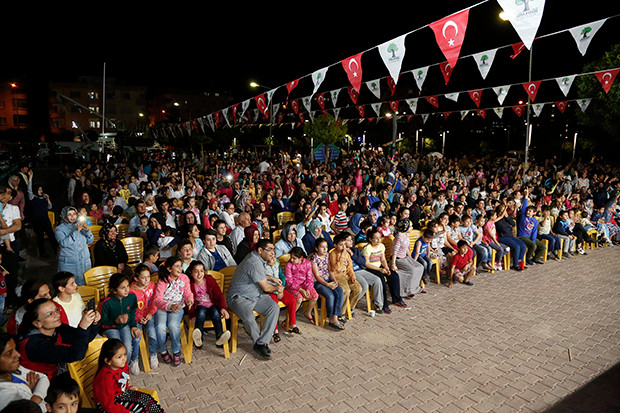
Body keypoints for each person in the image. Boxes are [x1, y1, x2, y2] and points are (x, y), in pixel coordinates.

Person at [225, 238, 282, 359]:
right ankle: (259, 344)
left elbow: (258, 274)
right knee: (249, 317)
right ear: (260, 250)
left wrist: (271, 278)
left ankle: (262, 342)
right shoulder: (254, 261)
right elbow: (266, 288)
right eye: (270, 249)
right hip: (239, 297)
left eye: (273, 249)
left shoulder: (257, 258)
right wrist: (278, 287)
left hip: (255, 295)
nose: (273, 252)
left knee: (274, 308)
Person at [16, 298, 100, 378]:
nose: (57, 314)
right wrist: (83, 328)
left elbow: (82, 338)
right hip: (38, 383)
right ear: (37, 323)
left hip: (55, 373)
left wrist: (93, 322)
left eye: (56, 309)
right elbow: (76, 355)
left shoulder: (56, 328)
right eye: (50, 314)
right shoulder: (33, 344)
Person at [92, 338, 165, 413]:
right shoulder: (105, 378)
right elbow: (108, 406)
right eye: (119, 357)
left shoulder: (123, 366)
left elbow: (122, 382)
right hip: (108, 405)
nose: (124, 358)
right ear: (108, 361)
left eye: (125, 354)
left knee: (147, 399)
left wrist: (127, 388)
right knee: (140, 407)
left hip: (121, 394)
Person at [152, 256, 193, 367]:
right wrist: (169, 306)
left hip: (177, 307)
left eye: (181, 266)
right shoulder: (163, 280)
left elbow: (188, 292)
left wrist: (189, 300)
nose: (180, 268)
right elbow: (157, 300)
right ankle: (163, 350)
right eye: (177, 266)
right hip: (163, 307)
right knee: (160, 328)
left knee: (173, 326)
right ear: (169, 269)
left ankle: (176, 351)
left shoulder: (184, 278)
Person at [100, 273, 142, 375]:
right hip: (110, 328)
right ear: (114, 290)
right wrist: (115, 321)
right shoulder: (106, 303)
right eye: (123, 288)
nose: (127, 290)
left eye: (128, 286)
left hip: (124, 326)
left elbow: (133, 312)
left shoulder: (131, 297)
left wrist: (133, 326)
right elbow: (102, 322)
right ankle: (115, 371)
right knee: (117, 349)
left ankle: (124, 370)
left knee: (127, 347)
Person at [0, 332, 50, 412]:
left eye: (15, 349)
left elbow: (43, 378)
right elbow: (39, 409)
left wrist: (36, 395)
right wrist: (29, 390)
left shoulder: (12, 369)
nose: (18, 355)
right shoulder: (4, 394)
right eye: (9, 353)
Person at [187, 260, 231, 349]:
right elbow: (188, 301)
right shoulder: (190, 284)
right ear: (191, 273)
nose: (199, 274)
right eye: (196, 271)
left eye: (202, 271)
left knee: (215, 314)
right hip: (200, 306)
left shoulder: (209, 280)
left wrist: (223, 308)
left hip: (212, 304)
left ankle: (219, 337)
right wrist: (192, 316)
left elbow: (219, 295)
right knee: (201, 314)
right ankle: (199, 338)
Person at [362, 229, 408, 313]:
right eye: (376, 238)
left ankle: (397, 299)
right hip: (371, 268)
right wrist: (380, 269)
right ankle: (384, 304)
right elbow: (366, 264)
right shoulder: (367, 248)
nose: (378, 240)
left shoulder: (381, 246)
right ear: (370, 239)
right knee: (381, 280)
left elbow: (382, 259)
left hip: (380, 266)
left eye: (379, 238)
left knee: (394, 276)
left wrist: (386, 267)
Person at [341, 232, 385, 313]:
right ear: (343, 242)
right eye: (348, 240)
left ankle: (378, 305)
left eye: (351, 240)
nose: (351, 242)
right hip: (351, 273)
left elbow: (363, 262)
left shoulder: (354, 250)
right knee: (364, 285)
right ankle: (350, 306)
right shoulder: (339, 252)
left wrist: (352, 254)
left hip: (360, 270)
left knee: (377, 280)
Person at [311, 238, 345, 330]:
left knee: (340, 292)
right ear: (317, 248)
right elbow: (317, 276)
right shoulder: (314, 258)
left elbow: (330, 270)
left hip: (328, 279)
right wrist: (327, 284)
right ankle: (330, 318)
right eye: (322, 247)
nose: (325, 249)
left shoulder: (327, 256)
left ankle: (335, 317)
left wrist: (334, 280)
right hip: (318, 282)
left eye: (326, 247)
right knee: (330, 296)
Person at [129, 264, 159, 370]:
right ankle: (134, 360)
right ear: (136, 278)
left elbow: (155, 301)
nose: (147, 280)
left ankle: (153, 354)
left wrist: (151, 313)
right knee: (136, 337)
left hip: (149, 315)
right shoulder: (131, 291)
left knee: (152, 333)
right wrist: (138, 318)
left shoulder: (152, 286)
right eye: (143, 277)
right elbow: (130, 309)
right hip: (136, 318)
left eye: (148, 277)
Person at [54, 206, 93, 286]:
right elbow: (64, 243)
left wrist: (87, 231)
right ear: (65, 216)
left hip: (84, 263)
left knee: (85, 286)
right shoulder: (59, 229)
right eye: (69, 214)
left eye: (74, 214)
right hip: (69, 264)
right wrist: (76, 231)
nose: (72, 216)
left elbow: (90, 241)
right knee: (69, 285)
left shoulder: (79, 225)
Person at [329, 233, 363, 320]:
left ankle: (350, 308)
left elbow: (350, 267)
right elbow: (335, 268)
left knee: (358, 288)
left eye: (344, 244)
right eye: (340, 245)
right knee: (346, 290)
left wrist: (352, 276)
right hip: (337, 276)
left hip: (345, 275)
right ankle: (341, 313)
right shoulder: (333, 254)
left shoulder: (347, 254)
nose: (343, 247)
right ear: (335, 245)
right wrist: (342, 256)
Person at [283, 247, 319, 326]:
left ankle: (308, 312)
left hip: (305, 286)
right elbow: (289, 281)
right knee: (299, 299)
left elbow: (309, 278)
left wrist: (308, 289)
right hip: (292, 287)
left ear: (301, 258)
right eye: (291, 257)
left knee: (315, 296)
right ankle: (289, 318)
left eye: (294, 258)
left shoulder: (307, 263)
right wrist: (301, 290)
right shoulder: (289, 265)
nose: (291, 260)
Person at [390, 218, 425, 298]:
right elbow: (395, 251)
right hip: (398, 259)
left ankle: (416, 288)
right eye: (410, 226)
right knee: (413, 270)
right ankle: (407, 291)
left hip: (405, 257)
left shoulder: (406, 234)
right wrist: (393, 264)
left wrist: (410, 258)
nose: (412, 228)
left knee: (420, 267)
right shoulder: (399, 236)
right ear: (405, 228)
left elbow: (406, 248)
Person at [26, 170, 57, 258]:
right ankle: (43, 253)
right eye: (39, 189)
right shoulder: (33, 198)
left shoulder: (44, 198)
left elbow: (50, 207)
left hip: (45, 220)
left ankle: (56, 250)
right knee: (40, 238)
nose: (41, 191)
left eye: (41, 189)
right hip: (37, 221)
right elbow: (29, 189)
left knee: (51, 235)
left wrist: (48, 199)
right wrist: (30, 177)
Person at [517, 194, 546, 265]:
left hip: (530, 236)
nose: (527, 212)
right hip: (522, 237)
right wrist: (526, 197)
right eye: (527, 211)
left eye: (530, 211)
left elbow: (534, 231)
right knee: (533, 246)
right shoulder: (523, 217)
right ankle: (527, 258)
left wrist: (533, 240)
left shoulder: (535, 221)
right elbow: (524, 207)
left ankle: (536, 258)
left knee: (543, 246)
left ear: (534, 213)